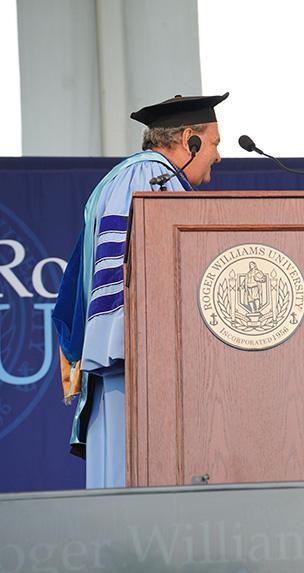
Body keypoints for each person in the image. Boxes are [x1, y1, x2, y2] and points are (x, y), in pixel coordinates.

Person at [52, 93, 228, 488]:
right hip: (137, 361)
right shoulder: (148, 176)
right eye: (214, 143)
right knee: (136, 487)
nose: (219, 156)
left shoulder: (144, 176)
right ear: (189, 139)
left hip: (140, 362)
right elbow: (129, 272)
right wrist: (128, 341)